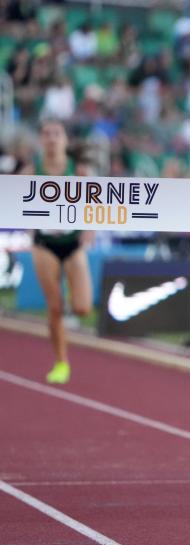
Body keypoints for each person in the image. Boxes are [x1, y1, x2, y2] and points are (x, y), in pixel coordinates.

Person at [19, 119, 93, 384]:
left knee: (83, 308)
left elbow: (96, 204)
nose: (51, 139)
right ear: (41, 139)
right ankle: (61, 362)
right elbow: (14, 201)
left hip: (72, 243)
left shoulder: (79, 170)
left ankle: (72, 291)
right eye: (46, 134)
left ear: (65, 140)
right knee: (55, 308)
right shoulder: (32, 170)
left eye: (56, 134)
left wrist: (89, 231)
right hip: (45, 244)